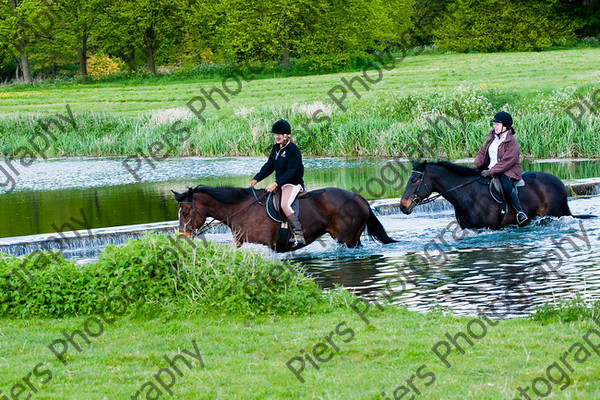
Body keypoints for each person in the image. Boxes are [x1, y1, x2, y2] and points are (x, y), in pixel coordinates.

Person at [249, 119, 306, 245]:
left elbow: (291, 171)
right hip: (281, 184)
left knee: (284, 204)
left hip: (293, 184)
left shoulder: (293, 150)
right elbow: (269, 166)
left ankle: (298, 233)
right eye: (275, 134)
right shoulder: (276, 148)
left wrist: (276, 183)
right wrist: (256, 179)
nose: (276, 136)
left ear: (286, 135)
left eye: (278, 134)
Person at [472, 111, 528, 224]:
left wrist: (491, 171)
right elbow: (482, 154)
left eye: (497, 124)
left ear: (505, 126)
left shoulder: (512, 143)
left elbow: (507, 162)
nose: (495, 126)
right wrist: (474, 167)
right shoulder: (492, 138)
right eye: (494, 124)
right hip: (489, 169)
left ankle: (520, 213)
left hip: (507, 172)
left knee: (506, 185)